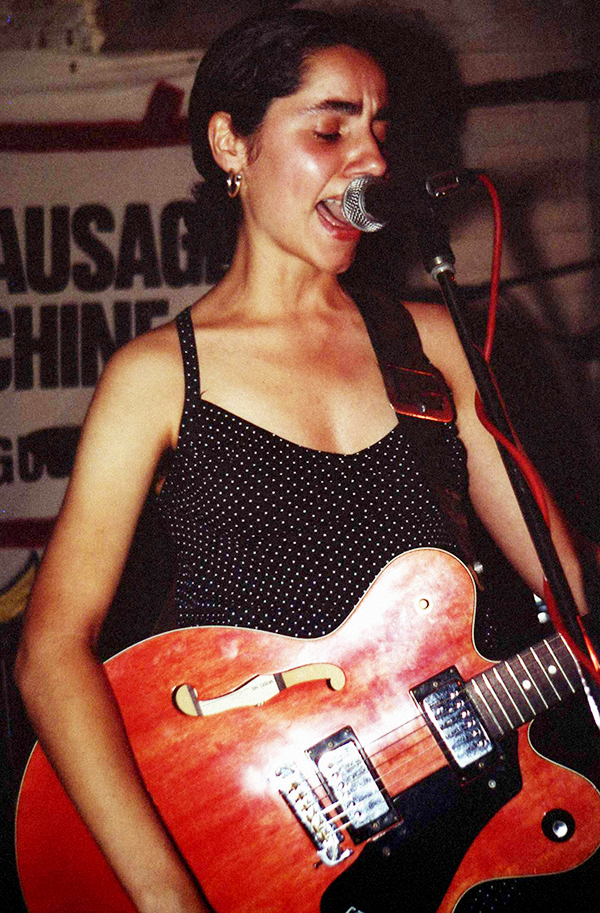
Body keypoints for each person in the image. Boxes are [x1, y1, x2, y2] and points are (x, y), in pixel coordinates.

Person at [14, 8, 593, 913]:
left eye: (379, 132)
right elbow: (51, 652)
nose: (370, 161)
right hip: (239, 834)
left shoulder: (433, 344)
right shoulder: (157, 377)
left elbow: (570, 591)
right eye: (330, 129)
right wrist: (167, 892)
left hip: (456, 833)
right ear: (230, 145)